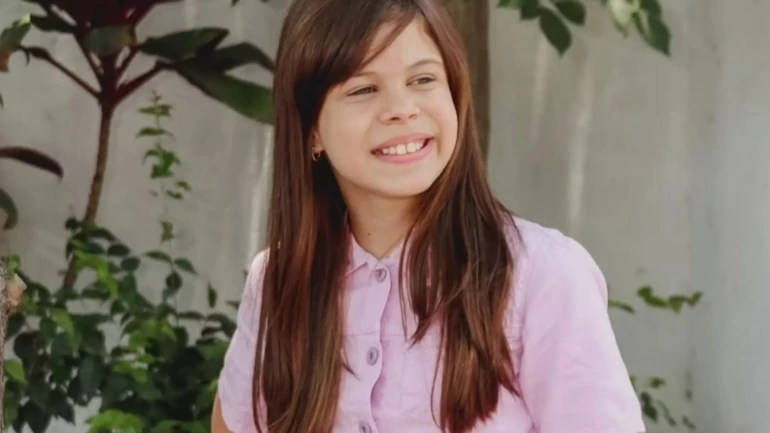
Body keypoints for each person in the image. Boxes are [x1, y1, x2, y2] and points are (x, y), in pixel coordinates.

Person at [212, 0, 644, 432]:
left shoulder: (541, 276)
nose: (402, 108)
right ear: (312, 130)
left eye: (422, 79)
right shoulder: (279, 281)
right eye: (363, 89)